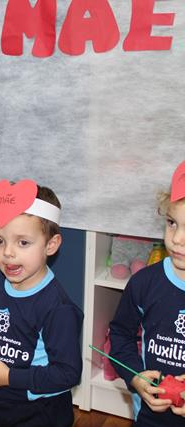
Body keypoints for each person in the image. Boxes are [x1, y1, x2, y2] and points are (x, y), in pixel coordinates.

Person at [0, 180, 83, 427]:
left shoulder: (58, 309)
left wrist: (9, 378)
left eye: (23, 242)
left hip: (39, 415)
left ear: (51, 245)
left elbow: (67, 374)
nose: (7, 253)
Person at [109, 160, 185, 426]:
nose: (177, 238)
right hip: (149, 417)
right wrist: (134, 375)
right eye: (172, 223)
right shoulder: (144, 283)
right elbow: (120, 334)